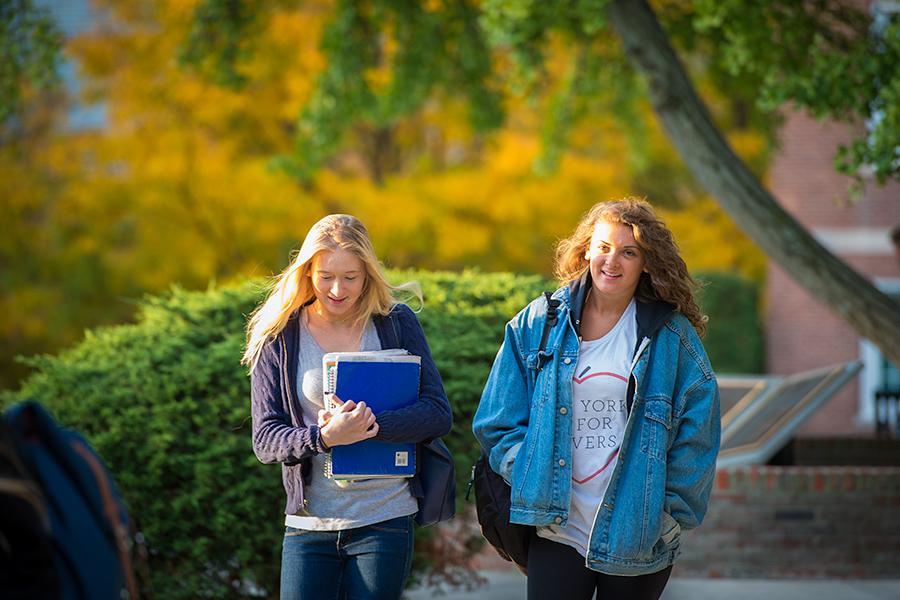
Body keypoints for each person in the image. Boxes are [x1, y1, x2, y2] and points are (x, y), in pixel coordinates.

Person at [473, 198, 720, 600]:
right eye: (603, 247)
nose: (612, 261)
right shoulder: (541, 322)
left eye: (629, 252)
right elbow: (496, 420)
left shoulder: (671, 338)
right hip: (558, 530)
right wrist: (529, 473)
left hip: (636, 534)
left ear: (646, 263)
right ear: (586, 249)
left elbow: (699, 434)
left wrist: (668, 515)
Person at [243, 214, 452, 600]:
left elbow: (438, 413)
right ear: (307, 273)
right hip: (309, 525)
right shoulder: (280, 334)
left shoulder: (395, 322)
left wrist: (370, 426)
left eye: (350, 277)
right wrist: (324, 437)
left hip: (385, 518)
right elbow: (266, 439)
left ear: (367, 274)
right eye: (326, 276)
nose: (337, 289)